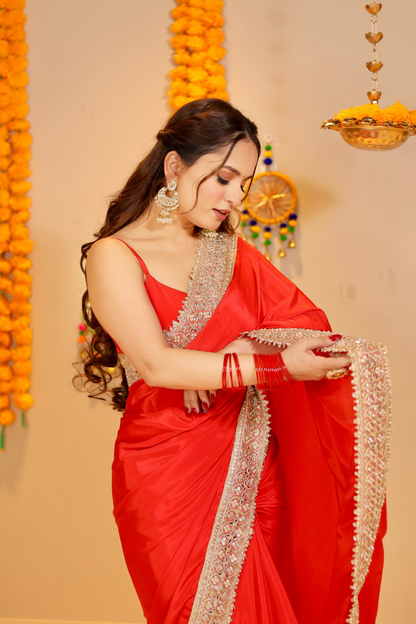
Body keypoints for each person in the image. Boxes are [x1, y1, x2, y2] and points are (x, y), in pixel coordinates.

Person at [78, 99, 391, 624]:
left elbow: (306, 324)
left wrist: (238, 347)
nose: (234, 196)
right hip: (168, 472)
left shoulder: (229, 252)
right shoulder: (113, 255)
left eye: (243, 182)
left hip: (252, 461)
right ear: (176, 166)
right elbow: (158, 366)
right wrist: (273, 366)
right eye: (223, 178)